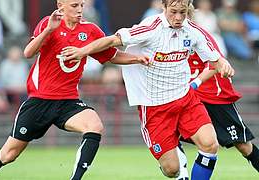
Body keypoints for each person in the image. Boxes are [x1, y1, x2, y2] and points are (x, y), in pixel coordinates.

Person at [0, 0, 148, 179]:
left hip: (68, 100)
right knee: (8, 154)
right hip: (40, 100)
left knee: (94, 126)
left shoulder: (90, 30)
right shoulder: (49, 23)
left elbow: (112, 56)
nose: (79, 10)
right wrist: (49, 30)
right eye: (74, 5)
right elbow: (28, 53)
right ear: (61, 6)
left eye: (81, 5)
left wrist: (138, 59)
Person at [61, 0, 235, 179]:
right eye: (173, 12)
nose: (178, 17)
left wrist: (223, 64)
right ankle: (172, 154)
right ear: (164, 7)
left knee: (210, 144)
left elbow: (215, 58)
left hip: (185, 99)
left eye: (182, 12)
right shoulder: (151, 28)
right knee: (172, 169)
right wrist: (82, 51)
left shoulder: (193, 31)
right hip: (154, 107)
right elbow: (114, 40)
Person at [179, 4, 259, 176]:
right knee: (171, 133)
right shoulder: (166, 35)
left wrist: (195, 83)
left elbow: (216, 62)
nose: (177, 18)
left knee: (243, 146)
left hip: (214, 95)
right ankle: (180, 172)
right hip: (189, 96)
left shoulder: (201, 35)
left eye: (182, 14)